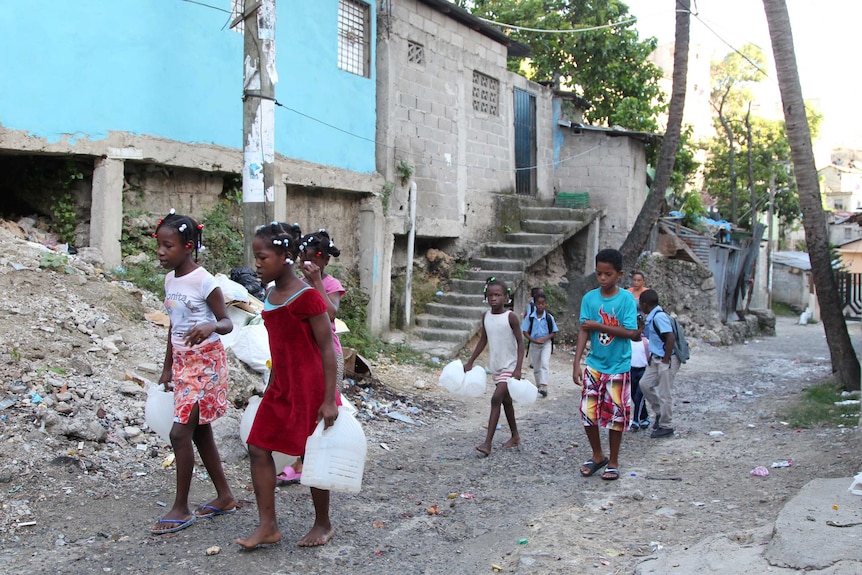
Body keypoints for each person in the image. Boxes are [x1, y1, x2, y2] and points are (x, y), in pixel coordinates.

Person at [237, 222, 340, 549]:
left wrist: (328, 399)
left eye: (262, 257)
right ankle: (268, 525)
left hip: (308, 386)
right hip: (280, 384)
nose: (257, 263)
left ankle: (322, 523)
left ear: (285, 257)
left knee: (309, 453)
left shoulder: (307, 296)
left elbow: (326, 348)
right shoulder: (269, 294)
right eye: (256, 256)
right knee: (257, 446)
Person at [150, 210, 236, 535]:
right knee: (199, 431)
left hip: (207, 365)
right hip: (185, 365)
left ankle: (181, 508)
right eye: (159, 245)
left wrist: (210, 324)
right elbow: (173, 326)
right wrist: (167, 367)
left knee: (179, 433)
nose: (160, 252)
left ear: (188, 246)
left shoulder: (205, 281)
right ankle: (225, 496)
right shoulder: (170, 279)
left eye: (167, 246)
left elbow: (226, 322)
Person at [276, 229, 346, 485]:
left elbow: (330, 314)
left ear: (326, 260)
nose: (310, 263)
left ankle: (315, 461)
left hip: (329, 356)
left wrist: (316, 282)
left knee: (327, 409)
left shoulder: (330, 285)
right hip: (304, 357)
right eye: (305, 257)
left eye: (316, 258)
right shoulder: (295, 285)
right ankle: (304, 460)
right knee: (305, 410)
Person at [573, 248, 640, 481]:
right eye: (599, 273)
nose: (602, 278)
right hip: (594, 364)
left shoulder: (626, 299)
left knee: (615, 416)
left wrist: (599, 326)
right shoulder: (589, 299)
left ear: (619, 275)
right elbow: (584, 330)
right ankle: (597, 455)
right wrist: (576, 362)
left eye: (608, 274)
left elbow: (631, 332)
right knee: (587, 412)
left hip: (618, 365)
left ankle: (613, 460)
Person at [464, 277, 525, 457]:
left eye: (498, 295)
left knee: (496, 399)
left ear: (506, 298)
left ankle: (487, 443)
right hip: (496, 367)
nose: (493, 299)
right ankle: (515, 435)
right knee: (506, 401)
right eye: (490, 295)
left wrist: (518, 368)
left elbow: (521, 344)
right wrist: (470, 361)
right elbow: (483, 340)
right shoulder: (486, 316)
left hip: (510, 366)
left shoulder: (511, 317)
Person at [638, 289, 681, 438]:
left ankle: (666, 425)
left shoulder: (659, 317)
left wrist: (666, 360)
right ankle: (659, 413)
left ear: (644, 304)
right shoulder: (652, 316)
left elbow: (670, 337)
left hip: (665, 359)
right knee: (645, 384)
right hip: (656, 358)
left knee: (665, 393)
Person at [520, 292, 558, 398]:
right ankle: (539, 386)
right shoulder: (531, 318)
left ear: (546, 304)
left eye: (543, 304)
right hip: (534, 344)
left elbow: (553, 332)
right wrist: (533, 340)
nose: (540, 306)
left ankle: (544, 385)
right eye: (538, 304)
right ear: (535, 304)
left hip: (546, 344)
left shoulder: (549, 317)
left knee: (544, 363)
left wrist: (544, 339)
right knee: (536, 367)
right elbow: (525, 331)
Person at [629, 319, 650, 431]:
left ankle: (635, 421)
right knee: (633, 396)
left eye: (637, 327)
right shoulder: (627, 342)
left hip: (643, 371)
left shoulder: (646, 343)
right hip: (631, 371)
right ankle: (645, 416)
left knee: (639, 396)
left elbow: (650, 357)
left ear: (642, 328)